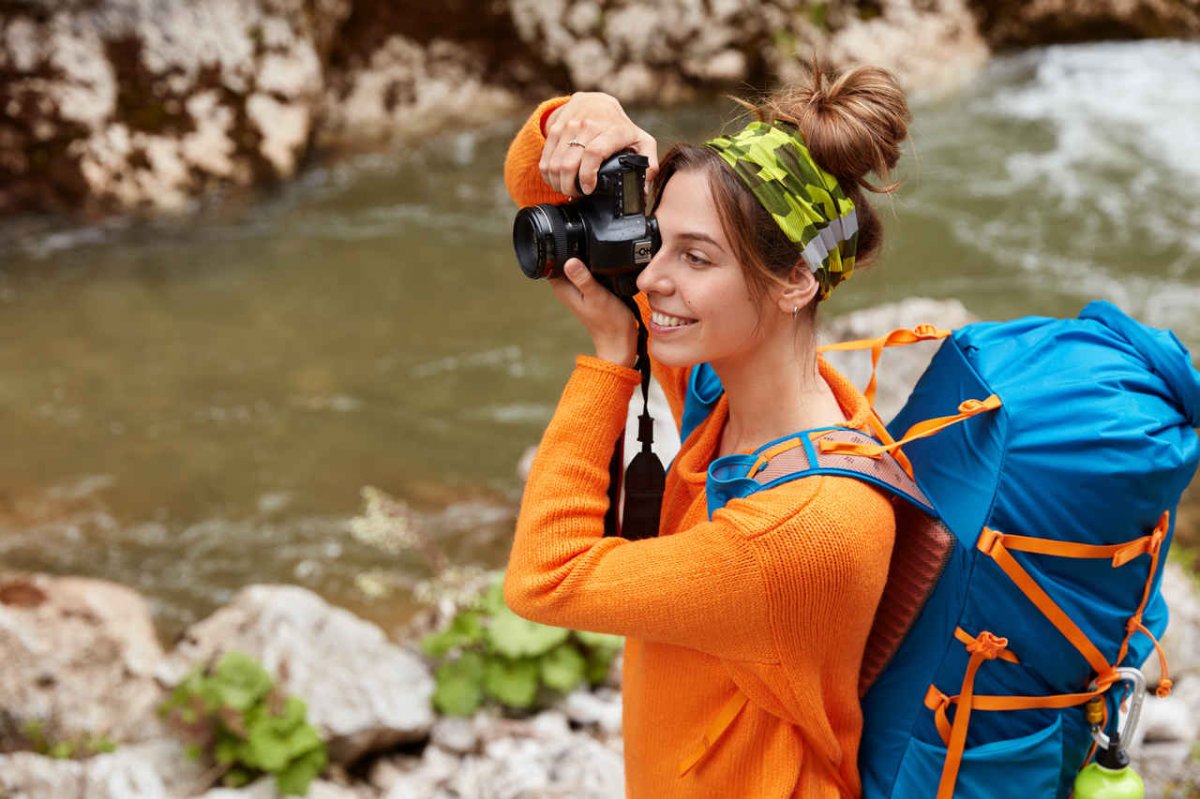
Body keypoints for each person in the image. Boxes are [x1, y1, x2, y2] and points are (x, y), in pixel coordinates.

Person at [502, 61, 912, 798]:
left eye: (696, 257)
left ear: (795, 281)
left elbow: (545, 577)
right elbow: (540, 194)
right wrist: (590, 125)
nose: (653, 278)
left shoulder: (799, 530)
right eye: (657, 241)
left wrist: (609, 359)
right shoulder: (728, 390)